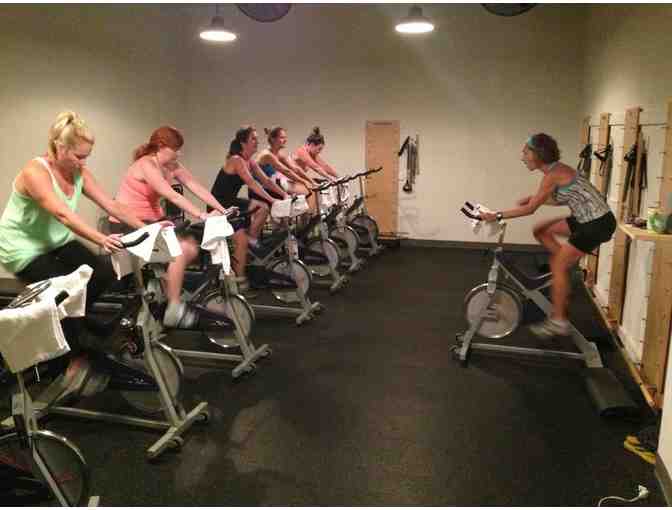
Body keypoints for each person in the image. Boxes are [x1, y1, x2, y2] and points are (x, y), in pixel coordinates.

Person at [0, 110, 145, 346]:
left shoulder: (79, 173)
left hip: (56, 241)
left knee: (101, 274)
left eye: (87, 157)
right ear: (60, 147)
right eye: (79, 156)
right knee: (66, 293)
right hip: (22, 248)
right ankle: (72, 347)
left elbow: (111, 205)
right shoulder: (35, 172)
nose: (83, 162)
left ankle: (77, 323)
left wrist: (148, 229)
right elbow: (62, 214)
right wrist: (102, 239)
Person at [110, 126, 248, 328]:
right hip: (128, 224)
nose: (179, 153)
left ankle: (167, 289)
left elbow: (195, 186)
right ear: (161, 146)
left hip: (153, 222)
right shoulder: (146, 164)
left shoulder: (171, 165)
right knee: (183, 249)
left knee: (190, 247)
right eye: (175, 149)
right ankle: (173, 308)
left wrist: (222, 209)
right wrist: (202, 214)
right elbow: (171, 195)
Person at [480, 133, 616, 339]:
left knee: (557, 264)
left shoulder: (553, 175)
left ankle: (559, 321)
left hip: (597, 224)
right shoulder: (555, 171)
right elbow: (563, 198)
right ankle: (563, 274)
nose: (522, 157)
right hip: (586, 219)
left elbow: (529, 210)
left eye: (526, 152)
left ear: (538, 154)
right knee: (541, 231)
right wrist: (536, 198)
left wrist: (495, 215)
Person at [210, 126, 289, 249]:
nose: (257, 142)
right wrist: (272, 200)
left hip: (231, 200)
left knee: (263, 208)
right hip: (218, 203)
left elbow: (266, 181)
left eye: (257, 139)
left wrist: (284, 194)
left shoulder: (250, 161)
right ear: (243, 143)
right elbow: (252, 183)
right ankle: (249, 243)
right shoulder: (236, 160)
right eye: (253, 139)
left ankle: (250, 241)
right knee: (262, 207)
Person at [255, 127, 317, 211]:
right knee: (309, 191)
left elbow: (295, 169)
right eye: (282, 138)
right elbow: (286, 171)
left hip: (272, 185)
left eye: (285, 137)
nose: (285, 140)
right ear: (273, 139)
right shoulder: (267, 155)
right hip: (261, 188)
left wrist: (311, 181)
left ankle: (308, 216)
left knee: (310, 189)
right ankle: (310, 215)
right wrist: (304, 182)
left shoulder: (279, 154)